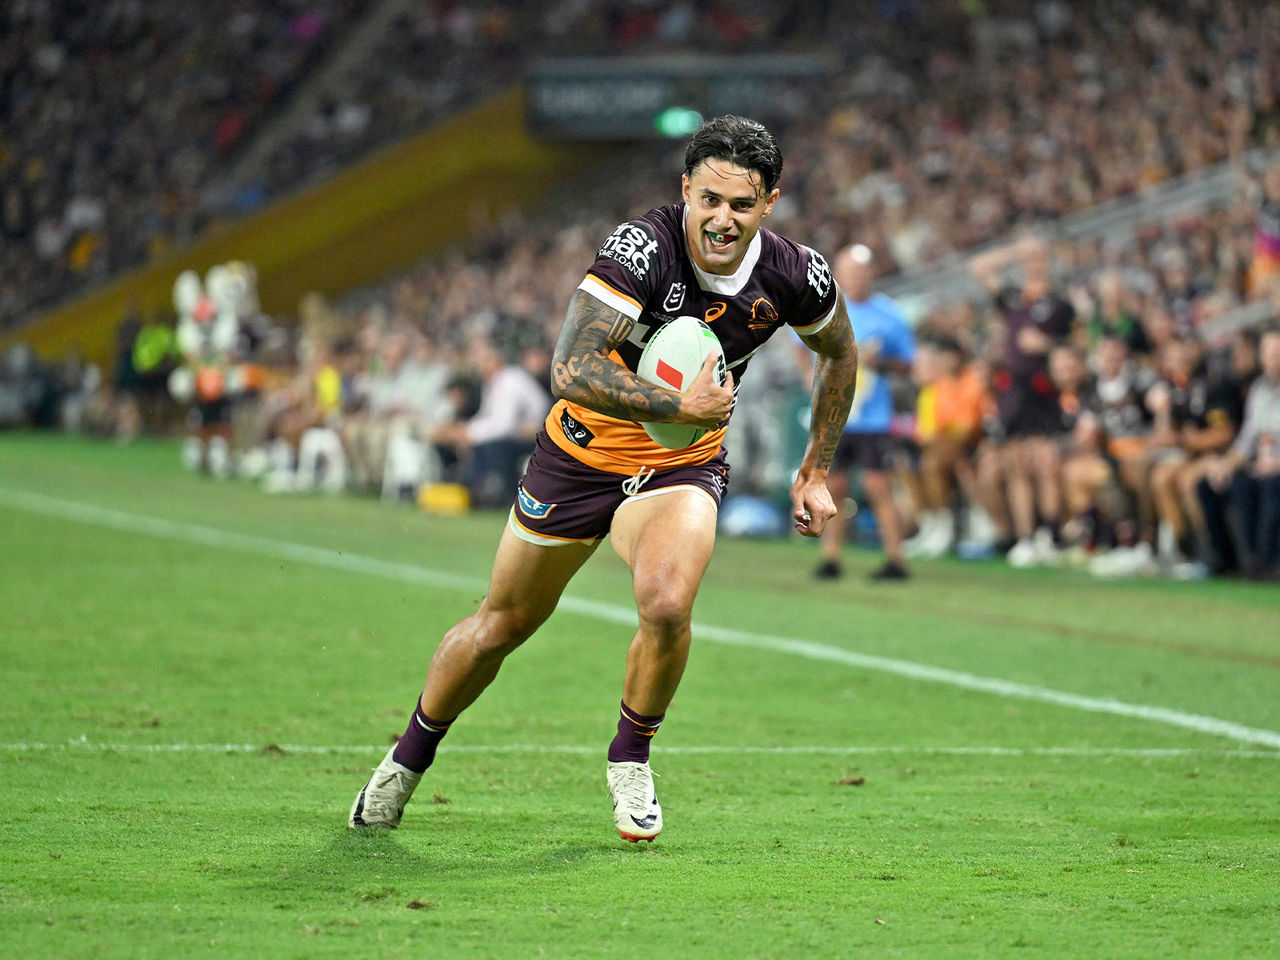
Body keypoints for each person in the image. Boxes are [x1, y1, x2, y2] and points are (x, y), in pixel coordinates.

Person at [348, 115, 858, 842]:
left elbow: (839, 352)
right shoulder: (641, 246)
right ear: (686, 189)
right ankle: (408, 757)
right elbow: (571, 367)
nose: (722, 218)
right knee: (503, 625)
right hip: (581, 454)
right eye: (708, 199)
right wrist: (677, 402)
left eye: (741, 205)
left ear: (769, 203)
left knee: (667, 601)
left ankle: (631, 757)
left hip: (679, 463)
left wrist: (814, 468)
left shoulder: (794, 272)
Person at [969, 235, 1076, 567]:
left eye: (1039, 258)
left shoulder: (1060, 304)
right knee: (1016, 465)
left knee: (1044, 462)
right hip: (1013, 393)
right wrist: (1016, 248)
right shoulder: (1014, 299)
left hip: (1043, 391)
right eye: (1029, 260)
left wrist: (1044, 345)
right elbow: (979, 267)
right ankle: (1027, 537)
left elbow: (1075, 348)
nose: (1034, 264)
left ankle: (1050, 535)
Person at [812, 243, 914, 581]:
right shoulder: (826, 307)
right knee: (834, 486)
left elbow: (906, 363)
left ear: (872, 275)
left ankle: (895, 558)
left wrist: (878, 363)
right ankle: (831, 557)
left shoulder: (890, 314)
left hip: (872, 416)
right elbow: (802, 346)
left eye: (862, 272)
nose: (856, 278)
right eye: (850, 272)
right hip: (835, 412)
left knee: (878, 486)